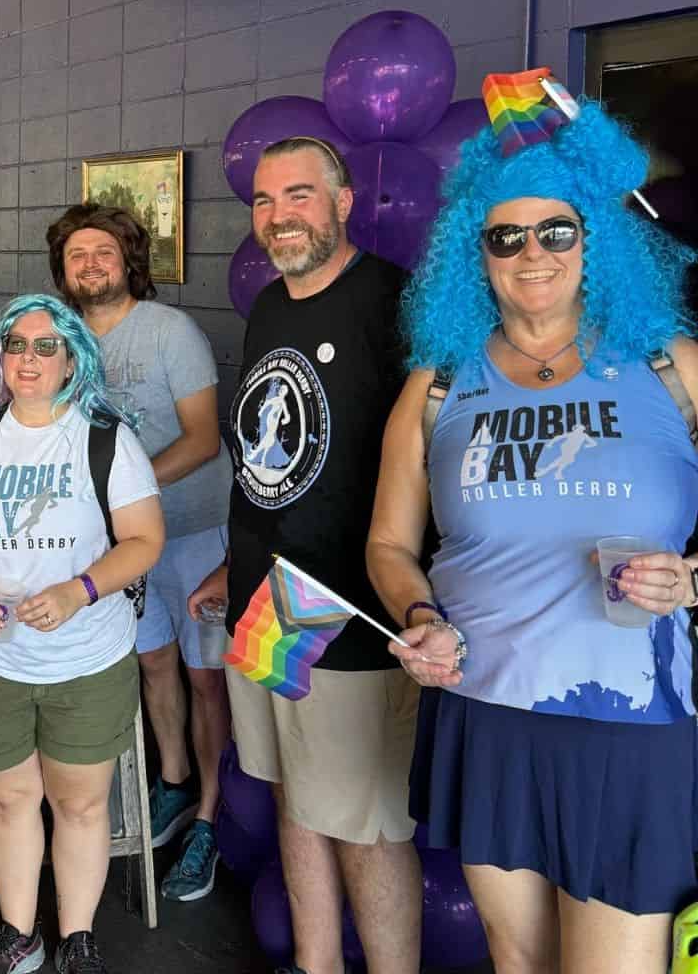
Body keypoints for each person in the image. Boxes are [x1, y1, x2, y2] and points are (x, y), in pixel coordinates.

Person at [366, 92, 698, 973]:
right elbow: (390, 546)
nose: (532, 255)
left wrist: (695, 581)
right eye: (504, 236)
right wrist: (416, 615)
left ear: (596, 240)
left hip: (632, 719)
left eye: (557, 230)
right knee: (519, 962)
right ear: (473, 257)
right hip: (487, 715)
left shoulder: (672, 366)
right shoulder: (438, 383)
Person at [189, 137, 422, 974]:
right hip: (270, 600)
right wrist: (230, 562)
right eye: (263, 200)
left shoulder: (395, 304)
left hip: (357, 607)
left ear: (344, 200)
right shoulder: (271, 310)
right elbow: (264, 461)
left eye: (298, 195)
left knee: (366, 825)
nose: (279, 216)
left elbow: (435, 459)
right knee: (294, 795)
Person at [0, 293, 165, 974]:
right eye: (17, 345)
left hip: (86, 658)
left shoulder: (105, 437)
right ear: (0, 354)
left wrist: (78, 589)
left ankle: (77, 938)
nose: (29, 359)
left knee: (81, 803)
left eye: (46, 346)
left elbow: (146, 539)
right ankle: (19, 934)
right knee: (9, 797)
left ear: (71, 360)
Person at [47, 203, 232, 901]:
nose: (90, 265)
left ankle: (212, 818)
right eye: (76, 256)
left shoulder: (168, 331)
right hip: (117, 546)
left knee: (204, 674)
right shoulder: (62, 338)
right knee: (152, 662)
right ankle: (176, 781)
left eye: (103, 252)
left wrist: (122, 490)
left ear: (129, 261)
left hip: (189, 528)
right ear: (63, 270)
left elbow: (203, 439)